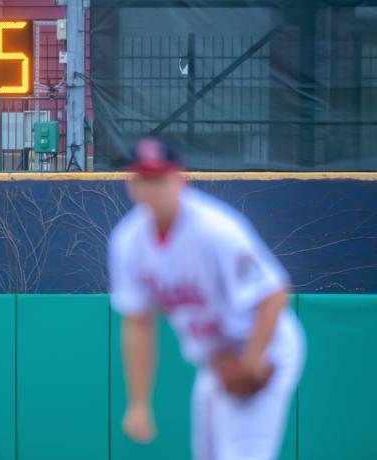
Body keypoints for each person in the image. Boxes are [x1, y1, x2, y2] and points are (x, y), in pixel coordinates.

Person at [108, 134, 306, 460]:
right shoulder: (128, 242)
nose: (152, 187)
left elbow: (273, 294)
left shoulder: (216, 228)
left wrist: (253, 362)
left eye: (160, 177)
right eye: (144, 178)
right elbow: (138, 323)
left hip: (265, 347)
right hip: (218, 362)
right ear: (132, 184)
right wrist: (139, 404)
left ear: (179, 179)